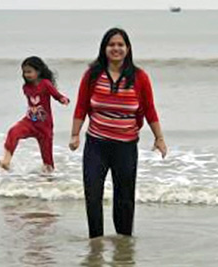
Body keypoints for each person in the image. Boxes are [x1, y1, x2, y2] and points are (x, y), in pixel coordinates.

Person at [69, 28, 167, 238]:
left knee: (124, 198)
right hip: (96, 145)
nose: (116, 48)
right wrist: (75, 134)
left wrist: (159, 137)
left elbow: (149, 109)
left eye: (120, 45)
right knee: (93, 195)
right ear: (104, 48)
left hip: (126, 147)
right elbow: (81, 106)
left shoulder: (139, 77)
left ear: (128, 48)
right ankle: (95, 241)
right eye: (111, 45)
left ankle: (123, 241)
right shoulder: (92, 75)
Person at [0, 56, 69, 173]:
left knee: (48, 162)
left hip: (44, 127)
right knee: (13, 132)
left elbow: (56, 95)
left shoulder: (46, 84)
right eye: (24, 72)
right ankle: (6, 162)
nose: (26, 75)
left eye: (29, 72)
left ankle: (49, 184)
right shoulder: (26, 87)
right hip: (30, 122)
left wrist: (63, 99)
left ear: (38, 71)